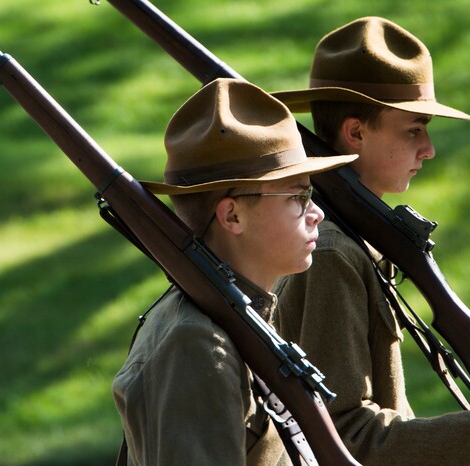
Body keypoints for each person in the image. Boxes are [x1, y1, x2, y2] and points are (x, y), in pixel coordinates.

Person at [270, 17, 470, 465]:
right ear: (355, 133)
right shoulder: (331, 252)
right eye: (414, 130)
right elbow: (343, 434)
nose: (428, 149)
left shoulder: (356, 240)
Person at [112, 78, 356, 465]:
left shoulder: (243, 316)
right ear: (232, 215)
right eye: (298, 196)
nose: (317, 213)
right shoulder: (195, 346)